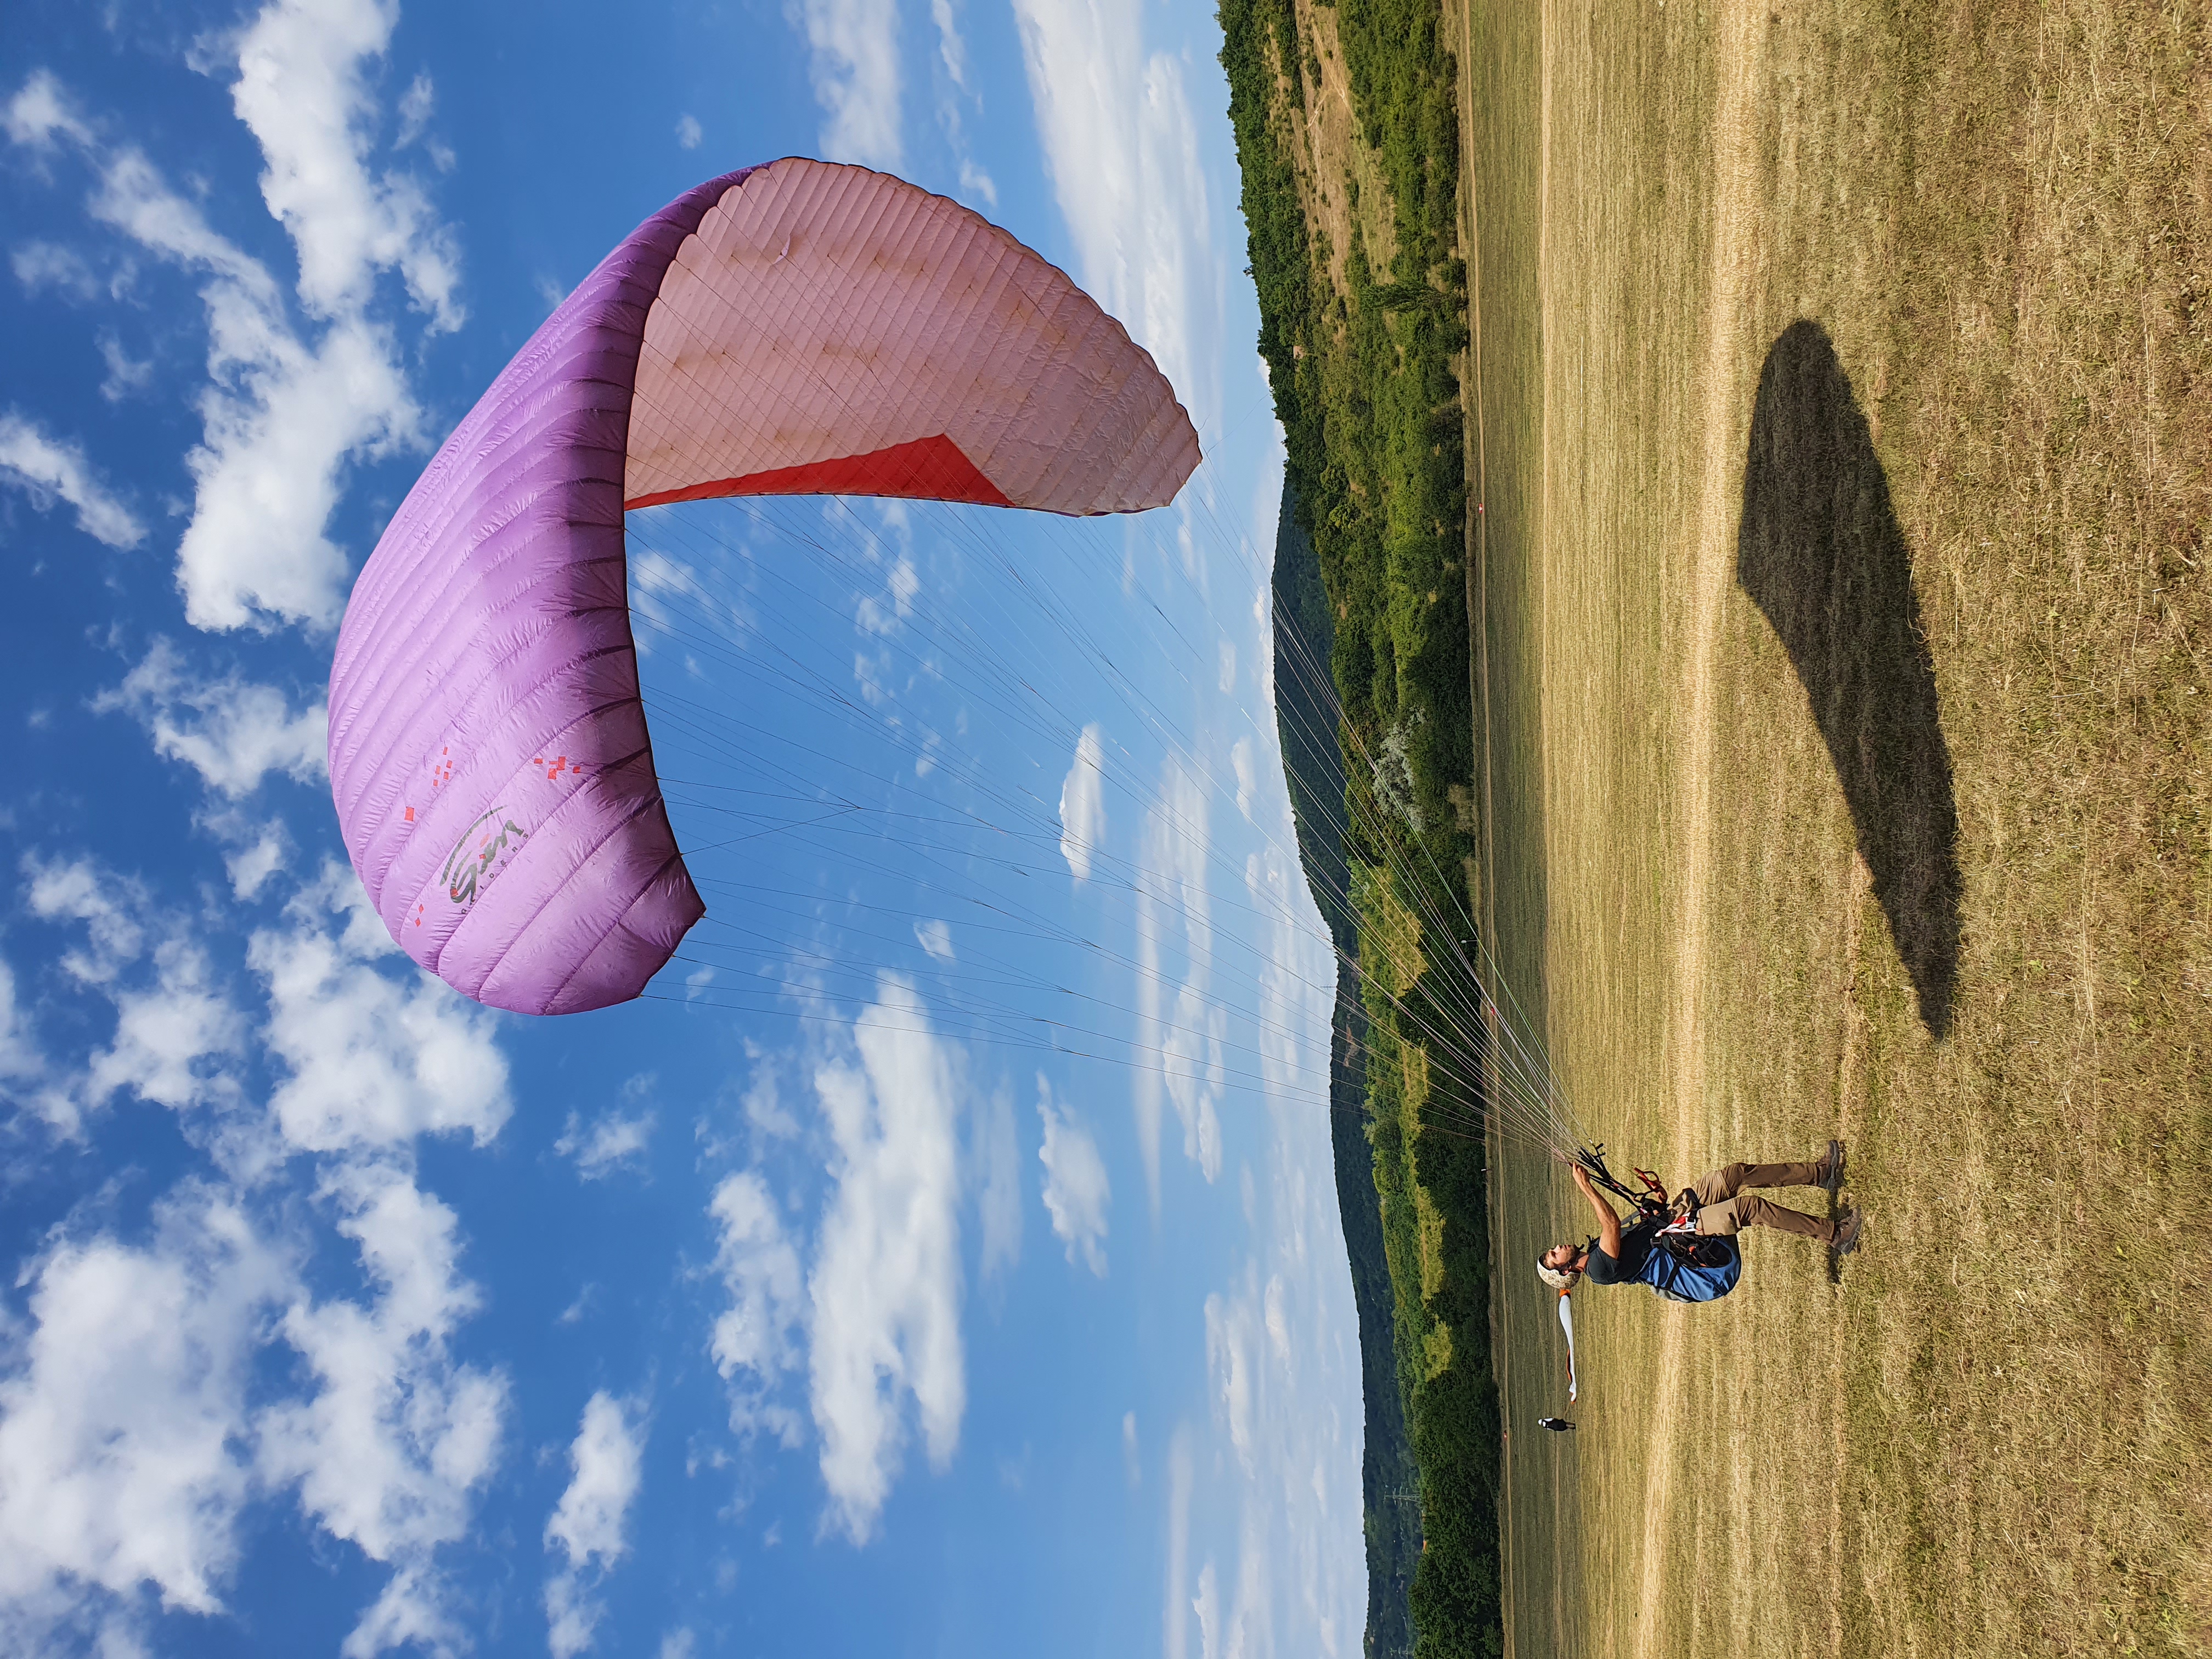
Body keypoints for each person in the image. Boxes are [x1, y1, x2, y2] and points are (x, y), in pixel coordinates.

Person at [1537, 1141, 1861, 1295]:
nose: (1558, 1247)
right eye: (1555, 1254)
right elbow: (1610, 1224)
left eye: (1552, 1249)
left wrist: (1657, 1204)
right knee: (1749, 1208)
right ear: (1565, 1269)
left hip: (1676, 1224)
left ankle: (1821, 1174)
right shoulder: (1598, 1269)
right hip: (1688, 1250)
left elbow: (1642, 1225)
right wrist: (1586, 1188)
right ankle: (1836, 1235)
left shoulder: (1594, 1248)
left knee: (1733, 1176)